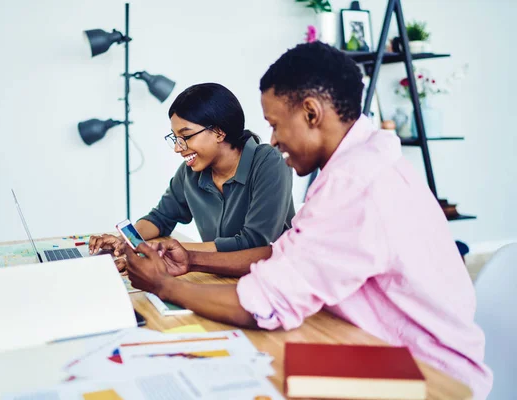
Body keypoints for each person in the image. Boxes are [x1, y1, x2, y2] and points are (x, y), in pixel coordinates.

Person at [122, 43, 492, 398]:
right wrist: (192, 259)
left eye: (276, 124)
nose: (273, 139)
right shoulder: (360, 165)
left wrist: (164, 287)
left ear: (311, 113)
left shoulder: (353, 184)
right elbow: (280, 255)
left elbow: (264, 301)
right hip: (375, 348)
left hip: (427, 376)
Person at [89, 83, 295, 266]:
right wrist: (125, 241)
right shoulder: (190, 173)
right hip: (218, 275)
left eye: (185, 136)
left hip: (277, 281)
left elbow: (254, 243)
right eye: (175, 138)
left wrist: (166, 249)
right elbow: (161, 217)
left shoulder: (269, 162)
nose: (178, 148)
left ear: (218, 132)